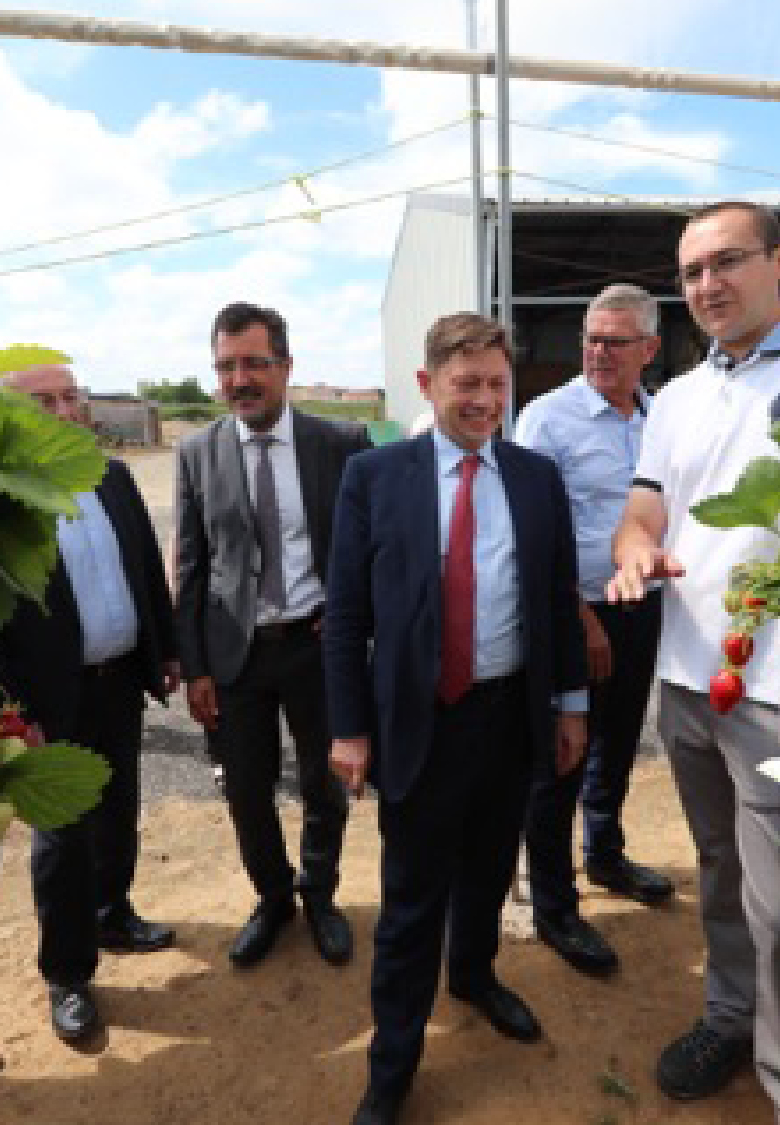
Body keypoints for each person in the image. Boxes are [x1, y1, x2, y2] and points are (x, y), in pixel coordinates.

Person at [607, 202, 780, 1121]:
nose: (707, 284)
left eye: (728, 261)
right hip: (689, 677)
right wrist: (633, 550)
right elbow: (645, 509)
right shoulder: (676, 397)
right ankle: (729, 1013)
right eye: (692, 271)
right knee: (719, 867)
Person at [323, 312, 588, 1125]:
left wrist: (570, 703)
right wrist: (349, 727)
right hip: (417, 720)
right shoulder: (375, 477)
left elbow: (556, 599)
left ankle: (474, 975)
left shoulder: (536, 476)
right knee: (410, 899)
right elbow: (346, 614)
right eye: (466, 383)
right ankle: (392, 1064)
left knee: (486, 867)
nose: (483, 400)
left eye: (496, 384)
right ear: (427, 384)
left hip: (509, 713)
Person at [0, 363, 180, 1044]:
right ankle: (68, 972)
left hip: (118, 680)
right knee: (62, 839)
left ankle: (112, 910)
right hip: (49, 697)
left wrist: (166, 651)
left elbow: (146, 573)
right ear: (12, 416)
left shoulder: (112, 477)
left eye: (72, 396)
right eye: (43, 400)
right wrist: (10, 710)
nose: (64, 409)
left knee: (120, 806)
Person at [174, 301, 371, 968]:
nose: (239, 379)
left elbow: (372, 547)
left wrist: (353, 613)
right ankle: (273, 898)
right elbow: (192, 566)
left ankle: (320, 895)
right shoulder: (197, 452)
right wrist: (196, 667)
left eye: (254, 362)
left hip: (318, 648)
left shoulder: (339, 445)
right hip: (237, 653)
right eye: (226, 366)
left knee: (324, 781)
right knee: (246, 788)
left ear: (286, 366)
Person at [515, 283, 674, 979]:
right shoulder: (546, 419)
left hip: (644, 604)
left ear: (649, 348)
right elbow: (531, 531)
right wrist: (580, 618)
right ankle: (553, 902)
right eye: (591, 338)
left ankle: (604, 852)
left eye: (615, 340)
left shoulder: (660, 418)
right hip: (573, 611)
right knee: (561, 754)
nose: (598, 352)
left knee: (618, 738)